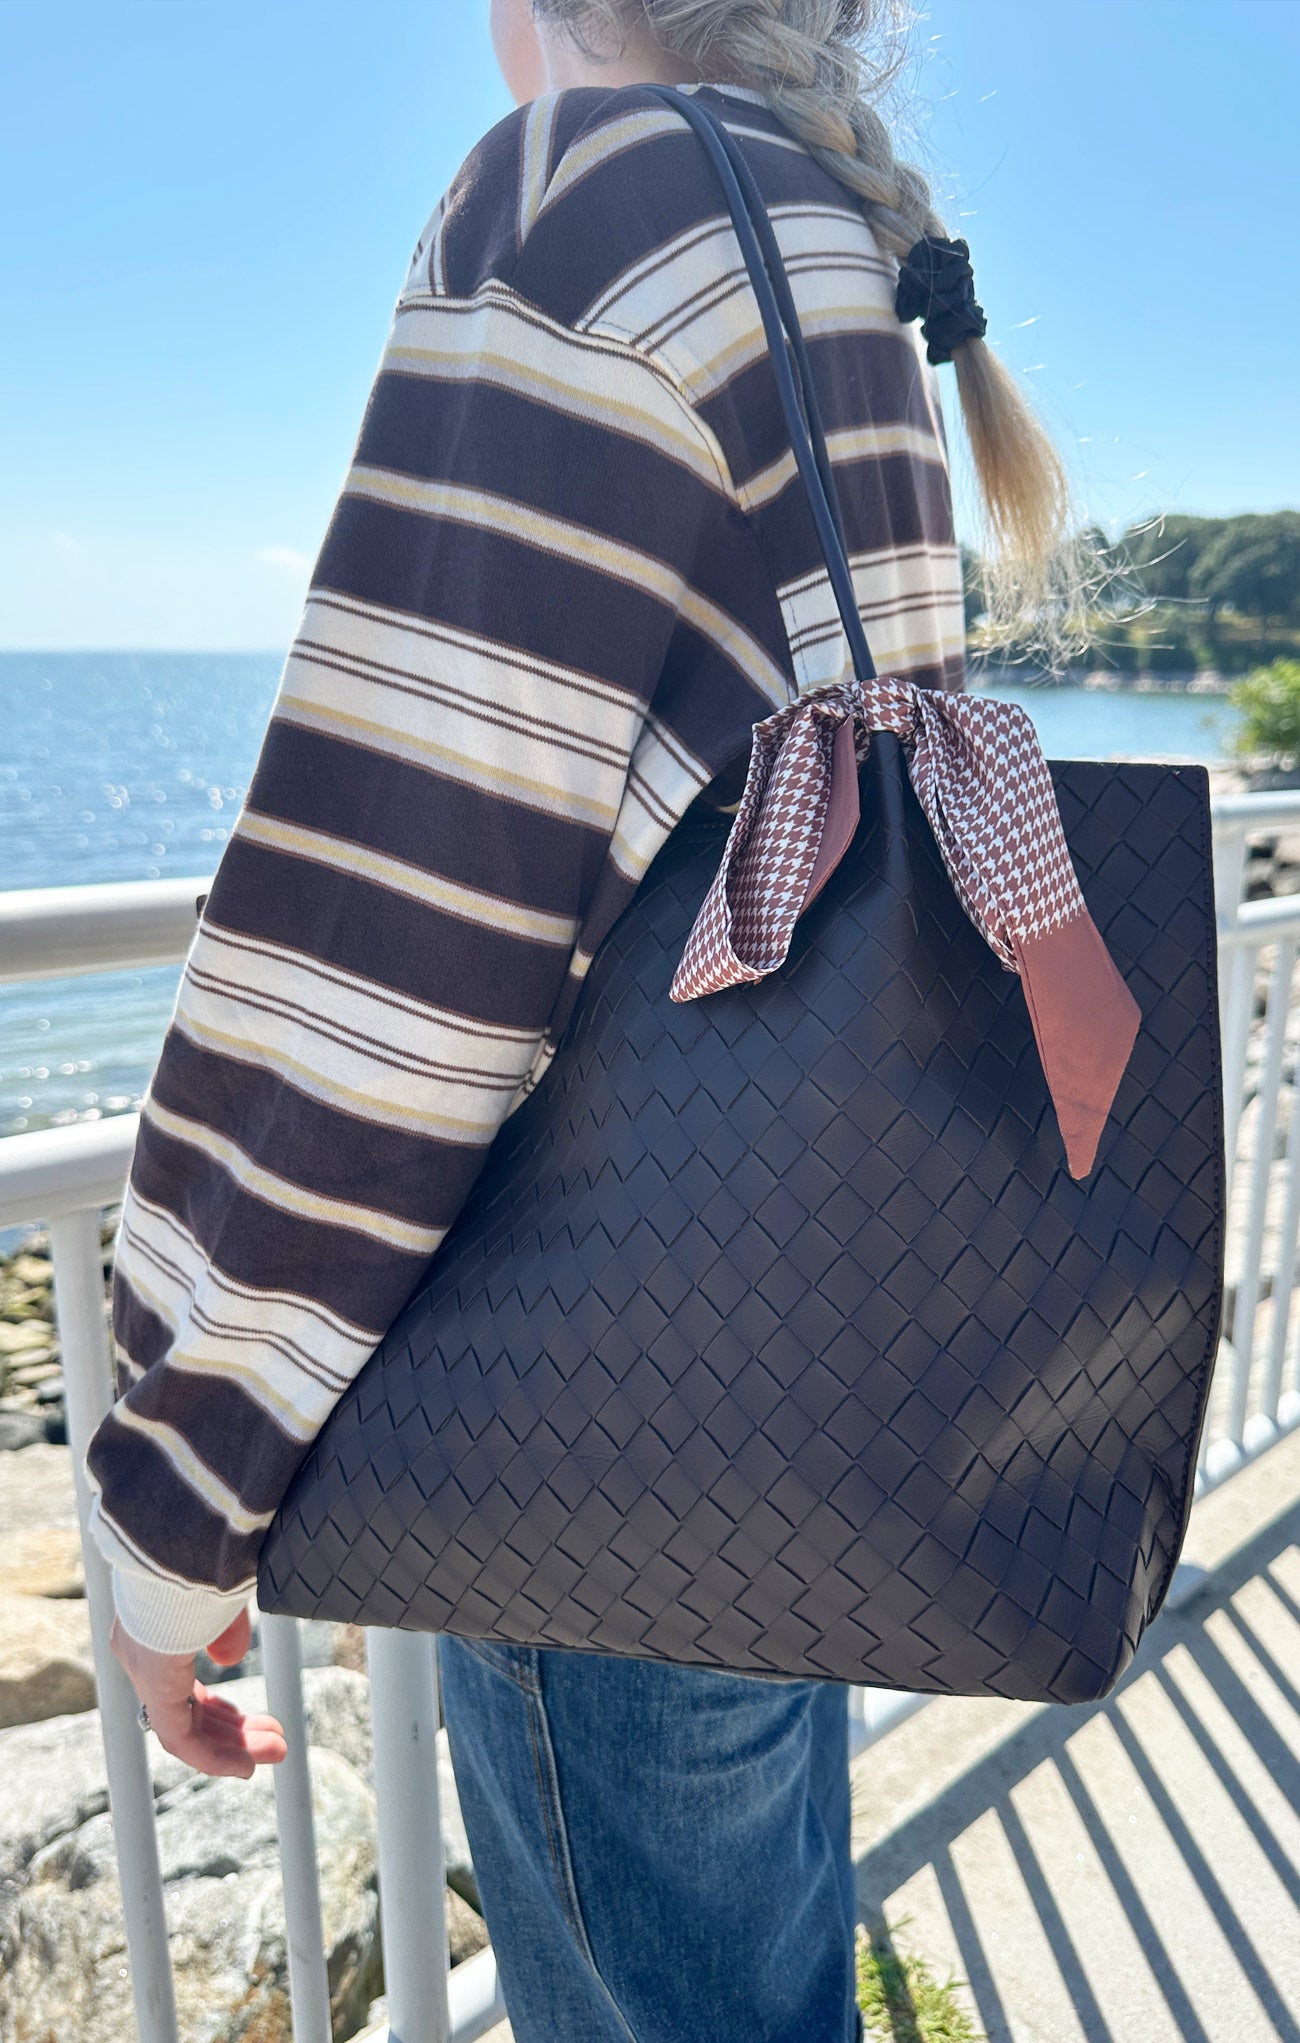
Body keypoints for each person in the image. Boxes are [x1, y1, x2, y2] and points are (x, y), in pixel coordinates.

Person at [90, 2, 1066, 2036]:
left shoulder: (583, 196)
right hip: (800, 1362)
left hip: (601, 1412)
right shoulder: (823, 242)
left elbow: (395, 936)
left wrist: (174, 1490)